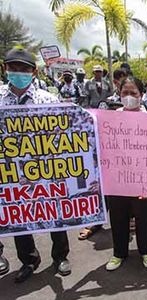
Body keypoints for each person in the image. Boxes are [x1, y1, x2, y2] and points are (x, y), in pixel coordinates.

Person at [0, 48, 70, 283]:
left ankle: (60, 256)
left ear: (34, 72)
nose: (18, 73)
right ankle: (28, 260)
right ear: (4, 69)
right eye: (13, 68)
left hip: (46, 170)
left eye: (24, 69)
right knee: (19, 216)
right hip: (10, 173)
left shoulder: (48, 100)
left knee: (54, 212)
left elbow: (62, 135)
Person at [105, 76, 147, 271]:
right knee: (118, 218)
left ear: (142, 95)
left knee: (145, 218)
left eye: (133, 93)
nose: (128, 97)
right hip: (117, 181)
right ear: (119, 95)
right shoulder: (109, 120)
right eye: (124, 93)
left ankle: (146, 251)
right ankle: (118, 253)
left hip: (145, 181)